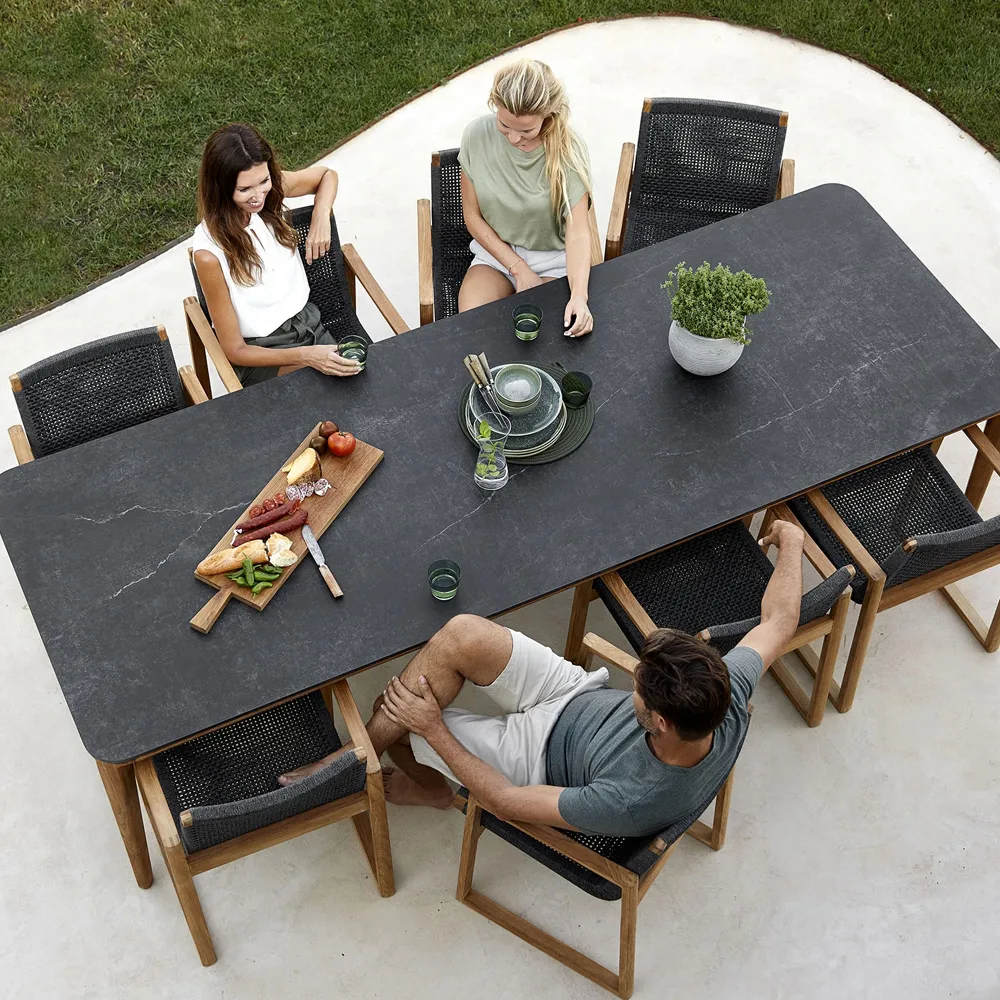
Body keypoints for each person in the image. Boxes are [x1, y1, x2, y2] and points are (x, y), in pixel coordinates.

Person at [280, 520, 806, 839]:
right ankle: (353, 755)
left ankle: (426, 787)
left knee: (399, 712)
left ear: (661, 720)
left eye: (640, 691)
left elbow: (509, 803)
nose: (635, 687)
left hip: (535, 762)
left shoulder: (633, 799)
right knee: (462, 633)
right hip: (572, 692)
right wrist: (792, 539)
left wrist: (435, 729)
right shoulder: (722, 693)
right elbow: (779, 620)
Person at [192, 123, 360, 387]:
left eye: (264, 181)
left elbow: (327, 175)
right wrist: (307, 356)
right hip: (265, 355)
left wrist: (320, 215)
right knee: (321, 401)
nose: (258, 196)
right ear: (221, 188)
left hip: (310, 326)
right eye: (244, 190)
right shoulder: (209, 255)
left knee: (358, 392)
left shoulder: (269, 191)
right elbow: (235, 350)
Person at [457, 59, 595, 337]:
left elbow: (579, 232)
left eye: (526, 131)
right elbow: (472, 216)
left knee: (539, 339)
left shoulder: (569, 151)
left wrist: (580, 296)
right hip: (496, 252)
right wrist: (518, 268)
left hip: (552, 260)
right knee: (472, 329)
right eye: (504, 125)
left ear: (549, 116)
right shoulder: (475, 136)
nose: (513, 139)